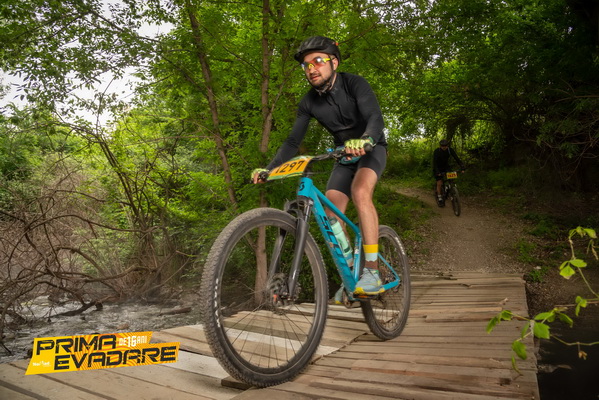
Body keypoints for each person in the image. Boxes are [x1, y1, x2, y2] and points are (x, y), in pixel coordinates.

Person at [251, 36, 387, 300]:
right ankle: (352, 274)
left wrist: (367, 139)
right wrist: (269, 169)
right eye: (306, 65)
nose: (311, 68)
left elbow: (374, 116)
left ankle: (372, 271)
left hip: (372, 148)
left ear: (334, 62)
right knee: (331, 213)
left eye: (318, 61)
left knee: (360, 193)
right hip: (343, 154)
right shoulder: (308, 102)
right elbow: (293, 142)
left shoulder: (354, 84)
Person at [433, 139, 465, 206]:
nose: (444, 147)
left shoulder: (450, 150)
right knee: (439, 182)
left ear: (447, 145)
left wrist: (462, 166)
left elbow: (457, 158)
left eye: (445, 146)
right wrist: (438, 172)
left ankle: (451, 190)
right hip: (438, 168)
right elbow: (434, 163)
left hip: (446, 167)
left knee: (451, 179)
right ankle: (439, 198)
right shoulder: (437, 151)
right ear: (440, 146)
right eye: (442, 146)